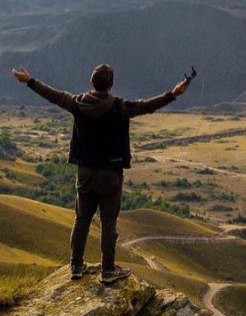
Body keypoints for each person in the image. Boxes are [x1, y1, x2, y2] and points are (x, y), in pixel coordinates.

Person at [12, 63, 190, 284]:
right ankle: (108, 270)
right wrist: (173, 94)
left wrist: (29, 81)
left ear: (91, 83)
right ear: (111, 84)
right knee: (108, 224)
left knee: (81, 221)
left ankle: (76, 266)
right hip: (110, 175)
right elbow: (147, 106)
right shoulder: (119, 107)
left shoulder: (76, 103)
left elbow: (52, 95)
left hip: (85, 172)